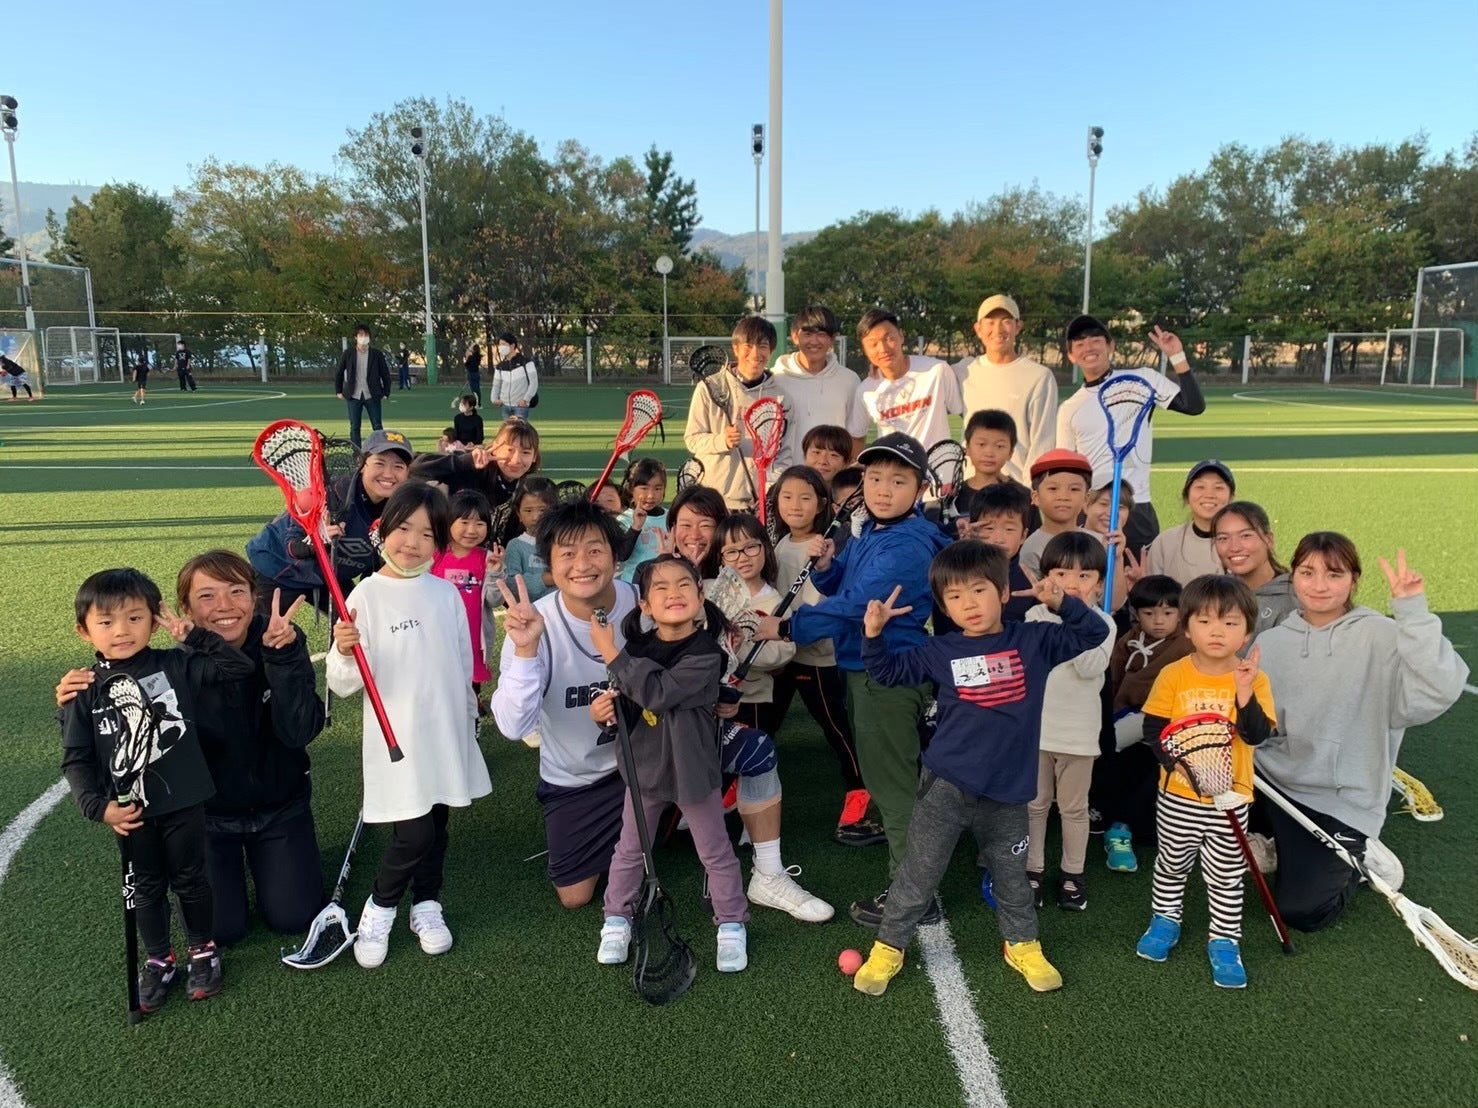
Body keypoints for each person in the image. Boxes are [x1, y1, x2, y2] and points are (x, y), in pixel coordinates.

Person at [849, 543, 1111, 996]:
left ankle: (1022, 943)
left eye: (979, 590)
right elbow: (888, 672)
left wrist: (1062, 603)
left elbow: (1093, 634)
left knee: (1012, 878)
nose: (968, 603)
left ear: (1004, 593)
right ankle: (889, 946)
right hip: (945, 787)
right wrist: (873, 635)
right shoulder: (940, 649)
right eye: (954, 596)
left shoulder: (1034, 641)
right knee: (917, 875)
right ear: (944, 605)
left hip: (1008, 794)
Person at [56, 554, 329, 949]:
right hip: (205, 818)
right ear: (184, 608)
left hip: (281, 806)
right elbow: (110, 740)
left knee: (294, 917)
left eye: (236, 591)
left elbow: (299, 731)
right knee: (220, 930)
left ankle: (279, 859)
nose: (224, 606)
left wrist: (282, 657)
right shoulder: (170, 667)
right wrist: (72, 708)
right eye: (206, 596)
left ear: (254, 597)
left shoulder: (280, 637)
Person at [753, 433, 950, 926]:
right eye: (875, 478)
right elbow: (846, 584)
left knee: (893, 786)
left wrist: (787, 627)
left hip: (887, 675)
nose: (883, 489)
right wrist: (826, 567)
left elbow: (856, 607)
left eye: (898, 481)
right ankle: (909, 871)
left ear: (920, 488)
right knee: (889, 778)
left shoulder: (906, 544)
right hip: (868, 669)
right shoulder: (876, 530)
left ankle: (912, 897)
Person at [61, 568, 256, 1010]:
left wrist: (195, 638)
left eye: (135, 618)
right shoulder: (83, 689)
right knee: (145, 887)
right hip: (130, 812)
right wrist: (98, 808)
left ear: (153, 621)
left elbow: (238, 669)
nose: (121, 631)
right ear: (84, 630)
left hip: (184, 801)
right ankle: (159, 959)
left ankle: (203, 950)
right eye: (106, 622)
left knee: (191, 879)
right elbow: (76, 758)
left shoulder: (175, 665)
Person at [1255, 537, 1468, 932]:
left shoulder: (1381, 635)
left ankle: (1362, 857)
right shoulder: (1271, 643)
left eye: (1334, 574)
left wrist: (1413, 612)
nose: (1319, 585)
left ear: (1353, 580)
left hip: (1341, 798)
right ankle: (1280, 842)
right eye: (1307, 572)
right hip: (1274, 781)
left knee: (1303, 911)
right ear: (1293, 577)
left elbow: (1438, 688)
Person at [328, 482, 492, 968]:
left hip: (445, 731)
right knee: (413, 832)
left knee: (437, 823)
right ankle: (379, 909)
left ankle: (426, 904)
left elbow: (461, 664)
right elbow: (342, 684)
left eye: (427, 534)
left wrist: (467, 718)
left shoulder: (444, 593)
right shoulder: (366, 595)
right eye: (404, 529)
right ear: (383, 530)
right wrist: (344, 650)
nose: (413, 542)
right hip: (397, 740)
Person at [587, 556, 752, 972]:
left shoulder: (706, 653)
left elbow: (659, 693)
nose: (673, 593)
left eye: (683, 585)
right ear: (644, 605)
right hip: (643, 768)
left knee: (714, 850)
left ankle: (731, 922)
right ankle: (617, 917)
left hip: (692, 770)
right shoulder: (635, 649)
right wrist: (603, 712)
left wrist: (610, 652)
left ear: (700, 595)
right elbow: (626, 703)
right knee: (630, 848)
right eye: (660, 588)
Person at [490, 502, 637, 910]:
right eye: (568, 553)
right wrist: (526, 650)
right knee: (574, 896)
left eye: (595, 550)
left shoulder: (642, 603)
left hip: (643, 766)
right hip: (577, 778)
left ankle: (663, 817)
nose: (582, 564)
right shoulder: (533, 622)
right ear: (550, 567)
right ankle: (631, 829)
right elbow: (512, 726)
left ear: (615, 556)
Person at [1136, 575, 1275, 989]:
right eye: (1205, 621)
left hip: (1232, 800)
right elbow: (1153, 730)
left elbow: (1256, 735)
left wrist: (1244, 692)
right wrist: (1176, 764)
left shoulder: (1255, 679)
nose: (1217, 632)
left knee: (1227, 874)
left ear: (1247, 632)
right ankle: (1166, 918)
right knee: (1172, 862)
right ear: (1187, 627)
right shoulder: (1174, 674)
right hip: (1178, 797)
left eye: (1230, 623)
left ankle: (1225, 939)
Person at [768, 464, 881, 846]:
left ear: (821, 504)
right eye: (787, 497)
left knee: (836, 728)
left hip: (817, 658)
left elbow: (825, 607)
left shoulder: (823, 547)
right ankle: (738, 786)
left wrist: (789, 631)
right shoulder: (780, 544)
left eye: (805, 497)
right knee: (765, 723)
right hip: (783, 654)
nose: (795, 505)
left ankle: (859, 792)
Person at [1055, 315, 1206, 552]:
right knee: (1091, 574)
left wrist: (1177, 356)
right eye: (1080, 344)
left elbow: (1193, 405)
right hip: (1092, 511)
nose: (1089, 348)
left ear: (1111, 346)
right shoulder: (1069, 408)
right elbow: (1067, 469)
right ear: (1071, 355)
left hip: (1136, 507)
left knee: (1141, 573)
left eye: (1096, 340)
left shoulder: (1143, 379)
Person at [1025, 533, 1117, 912]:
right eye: (1061, 574)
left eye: (1084, 576)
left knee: (1074, 809)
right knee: (1034, 804)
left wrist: (1070, 615)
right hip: (1037, 732)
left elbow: (1090, 666)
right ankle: (1032, 869)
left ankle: (1072, 873)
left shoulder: (1104, 623)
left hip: (1079, 737)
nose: (1072, 583)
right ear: (1046, 577)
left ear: (1099, 584)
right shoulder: (1034, 617)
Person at [246, 429, 415, 616]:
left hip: (330, 575)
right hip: (278, 569)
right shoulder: (333, 494)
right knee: (263, 629)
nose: (388, 474)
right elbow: (292, 547)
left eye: (398, 466)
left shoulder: (399, 509)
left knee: (359, 621)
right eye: (379, 463)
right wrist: (316, 541)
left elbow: (373, 568)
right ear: (361, 464)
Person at [1100, 574, 1193, 873]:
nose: (1159, 621)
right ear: (1137, 614)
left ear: (1180, 613)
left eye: (1168, 613)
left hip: (1165, 720)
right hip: (1126, 713)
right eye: (1149, 613)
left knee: (1131, 761)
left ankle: (1124, 826)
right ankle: (1111, 821)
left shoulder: (1186, 644)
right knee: (1109, 753)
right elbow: (1114, 677)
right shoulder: (1129, 639)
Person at [683, 315, 794, 512]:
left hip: (756, 502)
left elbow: (784, 453)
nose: (755, 354)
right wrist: (722, 440)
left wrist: (768, 491)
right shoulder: (709, 387)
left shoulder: (781, 398)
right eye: (748, 346)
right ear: (735, 348)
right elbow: (692, 440)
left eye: (763, 346)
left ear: (771, 351)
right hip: (712, 499)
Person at [953, 295, 1058, 482]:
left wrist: (1030, 490)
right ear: (978, 328)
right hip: (970, 486)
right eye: (990, 322)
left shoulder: (1039, 376)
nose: (998, 329)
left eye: (1006, 321)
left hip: (1014, 489)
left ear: (1018, 326)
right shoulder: (963, 371)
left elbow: (1043, 443)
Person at [851, 308, 965, 449]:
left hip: (937, 463)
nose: (883, 349)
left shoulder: (937, 371)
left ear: (901, 336)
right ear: (865, 350)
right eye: (873, 344)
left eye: (889, 338)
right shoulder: (865, 391)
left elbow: (964, 414)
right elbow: (857, 436)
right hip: (894, 463)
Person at [432, 489, 504, 713]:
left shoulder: (487, 559)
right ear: (449, 522)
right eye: (464, 522)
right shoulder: (435, 555)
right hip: (440, 636)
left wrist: (495, 573)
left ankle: (473, 713)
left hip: (473, 639)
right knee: (441, 684)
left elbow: (494, 600)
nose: (472, 530)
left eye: (480, 524)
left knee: (470, 687)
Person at [770, 305, 865, 460]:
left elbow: (856, 436)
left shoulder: (849, 380)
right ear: (794, 336)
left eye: (821, 334)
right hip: (787, 473)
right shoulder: (775, 379)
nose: (814, 341)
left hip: (833, 475)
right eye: (807, 334)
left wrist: (846, 470)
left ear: (832, 338)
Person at [410, 416, 541, 508]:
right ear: (495, 448)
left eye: (525, 452)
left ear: (534, 456)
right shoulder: (472, 468)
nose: (516, 460)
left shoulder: (525, 486)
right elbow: (416, 465)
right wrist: (466, 461)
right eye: (509, 450)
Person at [1145, 460, 1235, 585]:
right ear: (1187, 496)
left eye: (1218, 488)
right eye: (1200, 487)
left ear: (1231, 498)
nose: (1209, 495)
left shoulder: (1241, 544)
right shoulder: (1165, 543)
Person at [1211, 501, 1294, 635]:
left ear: (1269, 540)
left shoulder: (1294, 600)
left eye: (1245, 536)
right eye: (1223, 538)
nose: (1234, 547)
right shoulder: (1214, 594)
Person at [1018, 448, 1095, 579]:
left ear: (1086, 498)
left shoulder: (1098, 542)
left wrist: (1117, 559)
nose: (1063, 496)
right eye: (1053, 488)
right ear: (1036, 497)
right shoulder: (1031, 549)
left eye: (1074, 489)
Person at [951, 409, 1030, 527]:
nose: (989, 453)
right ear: (967, 448)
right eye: (982, 444)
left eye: (999, 446)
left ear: (1011, 452)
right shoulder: (954, 496)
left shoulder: (1024, 496)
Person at [334, 324, 393, 450]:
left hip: (372, 395)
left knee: (377, 426)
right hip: (353, 395)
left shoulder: (376, 354)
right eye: (360, 335)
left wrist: (386, 392)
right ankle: (356, 453)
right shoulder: (348, 353)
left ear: (369, 337)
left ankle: (380, 450)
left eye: (366, 335)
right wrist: (338, 391)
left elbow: (385, 374)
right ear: (355, 337)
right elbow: (339, 372)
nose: (363, 337)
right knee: (355, 426)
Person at [502, 478, 559, 602]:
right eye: (528, 510)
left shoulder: (563, 542)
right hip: (530, 610)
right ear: (519, 514)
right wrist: (545, 579)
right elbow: (511, 584)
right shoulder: (515, 546)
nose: (536, 517)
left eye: (543, 510)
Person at [617, 458, 669, 582]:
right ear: (631, 488)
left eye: (657, 489)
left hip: (663, 583)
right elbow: (621, 555)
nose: (651, 495)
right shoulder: (624, 519)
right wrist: (636, 527)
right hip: (634, 584)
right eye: (644, 488)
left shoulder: (671, 516)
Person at [489, 332, 538, 419]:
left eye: (503, 344)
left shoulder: (526, 362)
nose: (501, 347)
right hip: (505, 406)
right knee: (507, 428)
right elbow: (496, 385)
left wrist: (525, 400)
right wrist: (494, 399)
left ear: (512, 345)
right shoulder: (500, 366)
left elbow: (534, 383)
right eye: (500, 344)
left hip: (520, 406)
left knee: (520, 428)